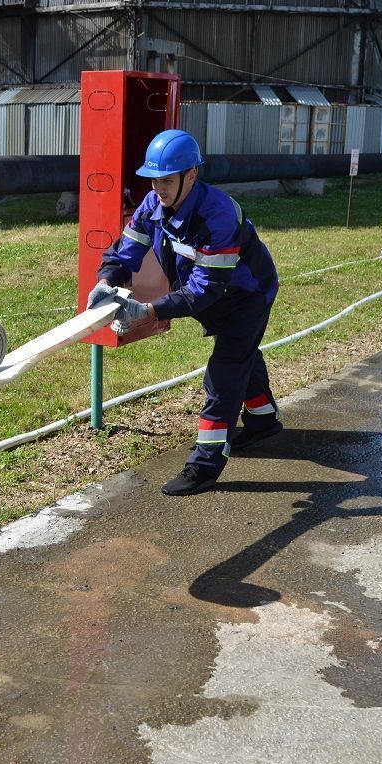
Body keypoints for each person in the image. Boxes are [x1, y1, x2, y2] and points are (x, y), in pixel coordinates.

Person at [87, 129, 281, 496]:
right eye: (154, 179)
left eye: (166, 180)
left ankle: (204, 466)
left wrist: (146, 310)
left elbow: (204, 290)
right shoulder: (153, 205)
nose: (158, 188)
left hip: (247, 296)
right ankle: (263, 420)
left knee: (224, 374)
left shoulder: (217, 216)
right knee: (241, 355)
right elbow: (125, 252)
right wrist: (105, 281)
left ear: (191, 175)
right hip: (213, 295)